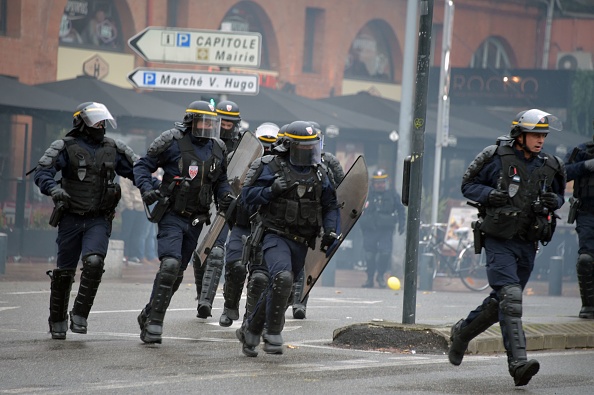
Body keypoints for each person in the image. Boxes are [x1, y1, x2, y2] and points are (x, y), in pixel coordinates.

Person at [450, 109, 566, 387]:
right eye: (535, 135)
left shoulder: (550, 164)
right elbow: (467, 185)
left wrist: (554, 201)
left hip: (528, 242)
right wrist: (489, 194)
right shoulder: (495, 156)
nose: (540, 140)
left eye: (543, 135)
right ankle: (518, 365)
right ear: (520, 134)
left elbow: (560, 195)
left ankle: (462, 333)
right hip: (498, 238)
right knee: (511, 298)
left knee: (501, 302)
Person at [33, 102, 137, 340]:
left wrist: (155, 187)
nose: (100, 126)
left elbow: (138, 170)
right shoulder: (65, 147)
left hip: (98, 219)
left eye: (103, 122)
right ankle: (57, 319)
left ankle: (80, 313)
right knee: (64, 273)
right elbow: (42, 172)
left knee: (94, 262)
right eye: (95, 121)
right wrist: (53, 189)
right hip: (70, 218)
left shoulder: (113, 148)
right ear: (81, 122)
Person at [236, 120, 340, 357]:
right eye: (302, 149)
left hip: (302, 241)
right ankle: (272, 334)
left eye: (311, 148)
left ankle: (250, 330)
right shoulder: (269, 166)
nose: (308, 154)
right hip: (274, 235)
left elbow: (331, 206)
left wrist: (331, 231)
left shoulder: (320, 172)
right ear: (287, 146)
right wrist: (270, 191)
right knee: (282, 278)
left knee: (281, 284)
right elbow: (246, 198)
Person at [134, 100, 234, 344]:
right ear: (191, 121)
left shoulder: (218, 147)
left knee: (177, 274)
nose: (208, 127)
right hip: (171, 214)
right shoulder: (172, 140)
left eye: (212, 123)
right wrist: (147, 189)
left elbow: (220, 180)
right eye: (204, 122)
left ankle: (149, 313)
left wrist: (226, 197)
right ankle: (154, 325)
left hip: (197, 219)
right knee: (169, 264)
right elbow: (142, 166)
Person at [218, 122, 280, 327]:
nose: (267, 150)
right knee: (235, 266)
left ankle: (251, 319)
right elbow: (223, 183)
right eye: (264, 145)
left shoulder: (280, 167)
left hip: (266, 226)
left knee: (260, 277)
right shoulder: (238, 159)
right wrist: (225, 199)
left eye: (271, 145)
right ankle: (230, 307)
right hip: (242, 223)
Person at [193, 100, 243, 319]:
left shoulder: (244, 145)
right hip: (209, 202)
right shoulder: (205, 142)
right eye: (222, 121)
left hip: (234, 204)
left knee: (226, 254)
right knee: (207, 251)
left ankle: (215, 302)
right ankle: (203, 299)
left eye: (230, 123)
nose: (225, 126)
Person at [291, 121, 345, 319]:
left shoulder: (329, 162)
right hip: (293, 215)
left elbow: (341, 190)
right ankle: (288, 297)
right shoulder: (291, 159)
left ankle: (300, 302)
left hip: (317, 218)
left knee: (308, 262)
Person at [564, 126, 594, 319]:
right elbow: (561, 174)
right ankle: (589, 305)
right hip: (587, 213)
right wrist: (584, 166)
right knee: (586, 260)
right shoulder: (582, 151)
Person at [359, 169, 405, 288]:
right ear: (373, 183)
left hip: (386, 229)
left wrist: (402, 223)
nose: (380, 185)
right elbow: (357, 209)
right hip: (370, 229)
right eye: (377, 182)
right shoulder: (367, 194)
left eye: (382, 182)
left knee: (385, 253)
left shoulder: (392, 194)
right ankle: (369, 278)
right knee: (369, 254)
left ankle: (380, 275)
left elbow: (400, 209)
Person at [119, 176, 150, 265]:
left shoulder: (142, 171)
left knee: (137, 233)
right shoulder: (125, 173)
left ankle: (133, 256)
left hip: (141, 207)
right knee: (126, 232)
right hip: (130, 208)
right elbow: (124, 191)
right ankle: (124, 255)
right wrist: (130, 206)